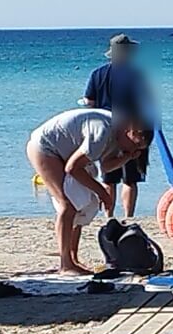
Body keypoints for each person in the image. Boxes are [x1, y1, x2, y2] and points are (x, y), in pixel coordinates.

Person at [26, 107, 153, 275]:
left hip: (66, 155)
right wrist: (101, 191)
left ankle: (73, 258)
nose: (133, 150)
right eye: (134, 145)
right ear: (129, 131)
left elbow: (106, 166)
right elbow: (73, 167)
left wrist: (128, 157)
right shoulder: (102, 131)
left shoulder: (118, 136)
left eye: (139, 150)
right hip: (45, 148)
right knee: (67, 205)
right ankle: (66, 264)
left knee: (84, 205)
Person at [80, 34, 154, 217]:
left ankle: (108, 215)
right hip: (131, 130)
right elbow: (145, 100)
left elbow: (89, 101)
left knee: (109, 176)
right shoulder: (135, 74)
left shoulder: (97, 74)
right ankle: (128, 216)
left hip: (104, 129)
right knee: (130, 178)